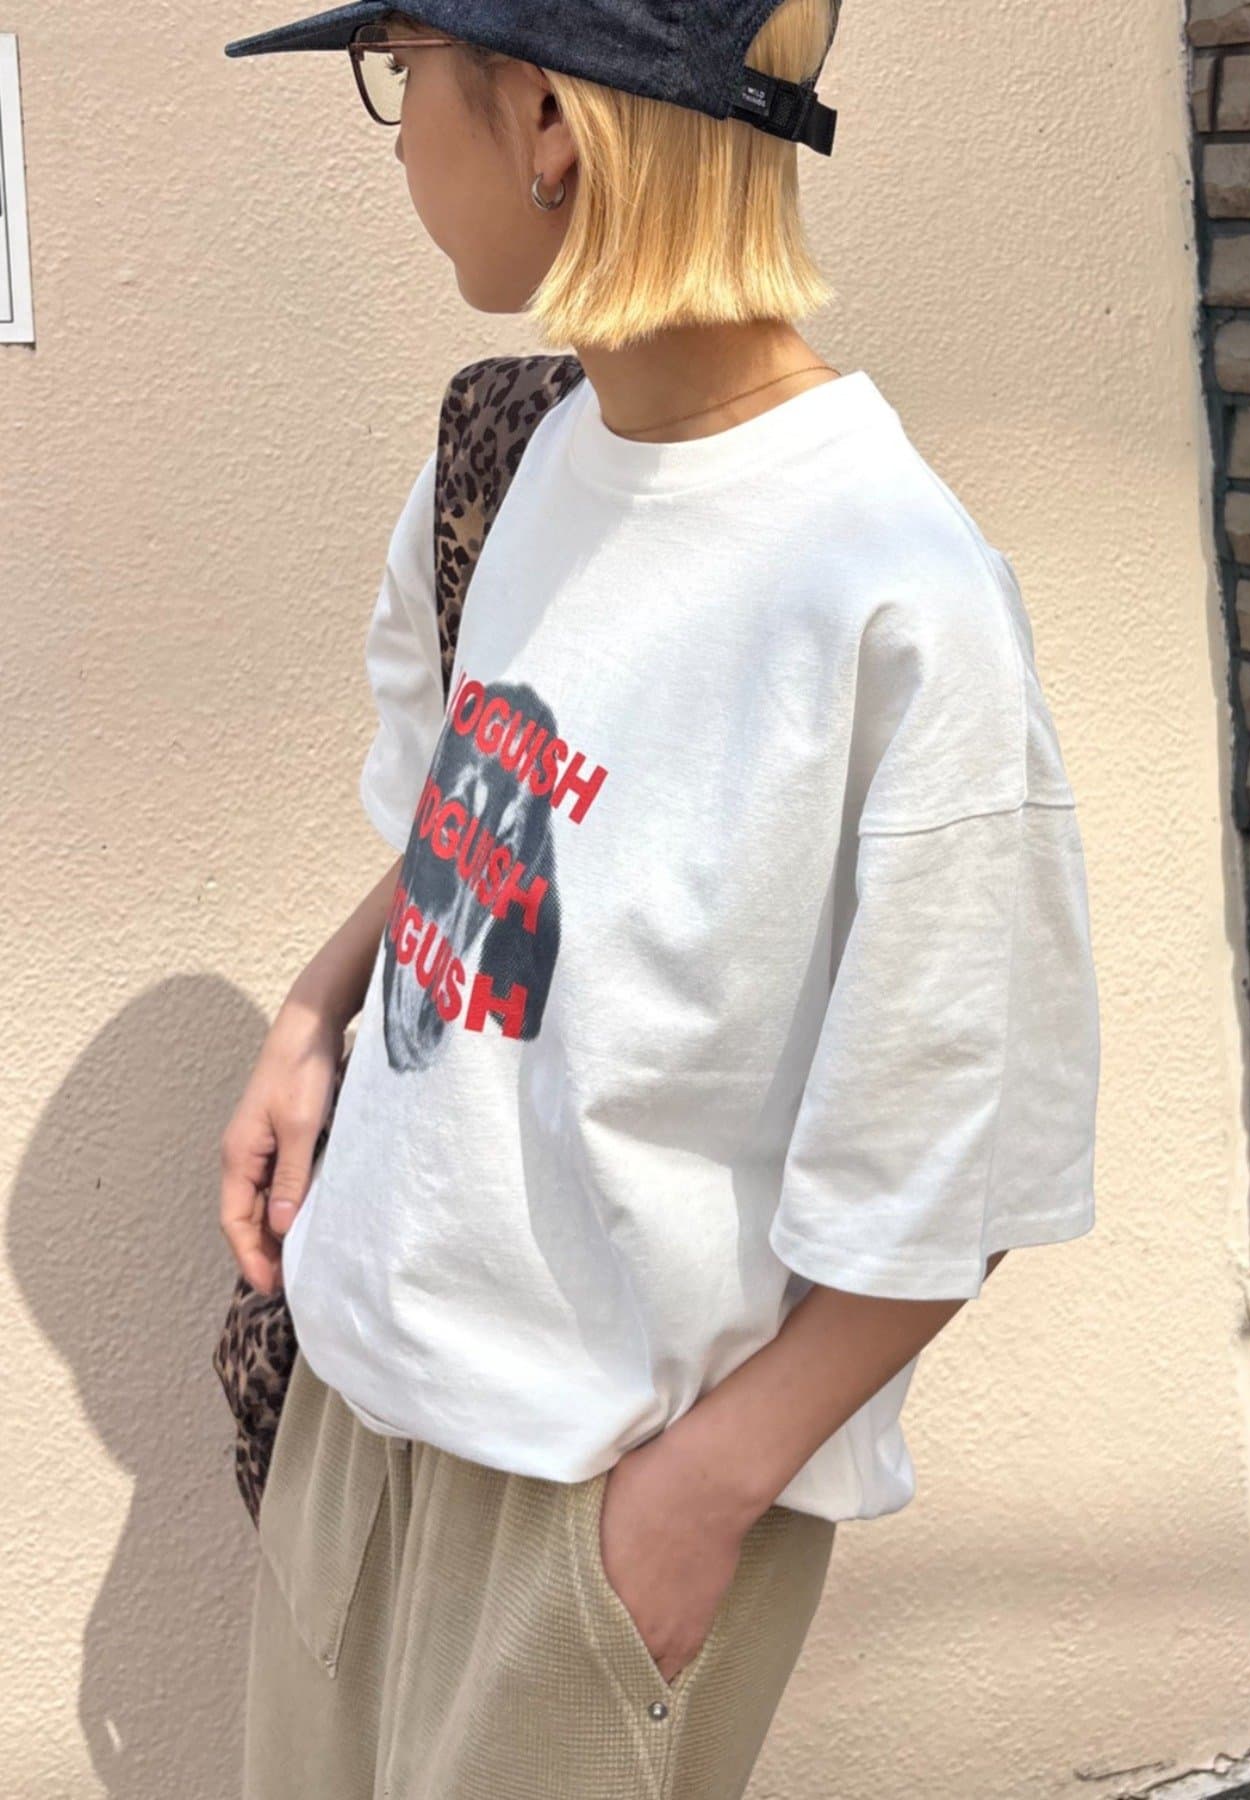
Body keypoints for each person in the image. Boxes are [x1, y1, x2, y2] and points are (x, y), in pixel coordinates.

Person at [217, 3, 1101, 1796]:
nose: (396, 134)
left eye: (403, 70)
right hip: (370, 1399)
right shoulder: (527, 453)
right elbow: (500, 815)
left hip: (599, 1485)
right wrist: (318, 1006)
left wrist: (698, 1498)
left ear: (548, 119)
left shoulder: (888, 593)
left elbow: (966, 1152)